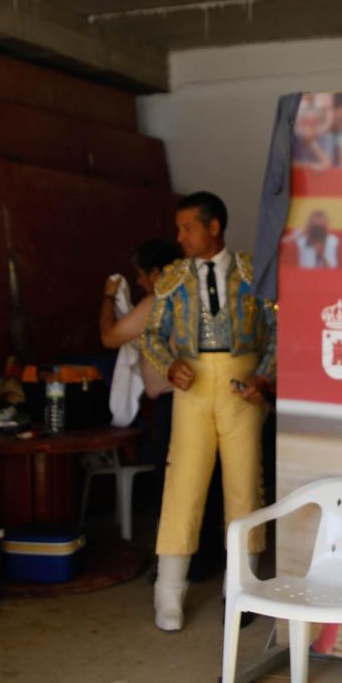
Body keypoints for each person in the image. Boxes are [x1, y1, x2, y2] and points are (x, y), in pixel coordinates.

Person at [140, 191, 275, 631]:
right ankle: (169, 592)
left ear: (213, 227)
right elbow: (153, 336)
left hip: (241, 386)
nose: (180, 237)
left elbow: (278, 328)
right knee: (184, 483)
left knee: (244, 486)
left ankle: (243, 588)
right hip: (192, 384)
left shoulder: (251, 271)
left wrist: (263, 377)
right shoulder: (174, 277)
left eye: (187, 228)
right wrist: (170, 364)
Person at [100, 237, 185, 465]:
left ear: (155, 274)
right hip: (181, 402)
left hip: (174, 404)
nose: (137, 282)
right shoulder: (188, 296)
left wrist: (109, 295)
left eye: (140, 274)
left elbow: (110, 338)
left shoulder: (158, 300)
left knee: (172, 477)